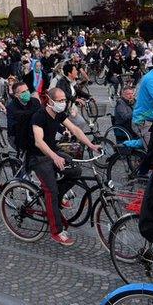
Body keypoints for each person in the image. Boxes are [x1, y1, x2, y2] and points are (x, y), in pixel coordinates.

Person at [29, 87, 101, 247]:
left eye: (64, 100)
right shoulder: (39, 116)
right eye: (60, 100)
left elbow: (75, 129)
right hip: (39, 157)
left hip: (53, 152)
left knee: (75, 171)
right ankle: (56, 231)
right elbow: (38, 142)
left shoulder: (59, 113)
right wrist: (54, 157)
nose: (63, 103)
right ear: (49, 100)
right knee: (51, 190)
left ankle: (55, 200)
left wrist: (91, 145)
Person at [6, 82, 42, 154]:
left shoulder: (35, 102)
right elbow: (14, 125)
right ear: (16, 95)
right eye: (23, 92)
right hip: (17, 136)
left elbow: (43, 115)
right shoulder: (11, 107)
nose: (27, 93)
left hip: (33, 133)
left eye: (27, 90)